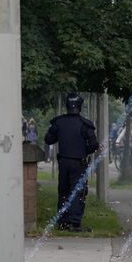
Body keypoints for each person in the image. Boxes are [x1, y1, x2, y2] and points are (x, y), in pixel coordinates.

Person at [44, 93, 99, 232]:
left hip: (63, 162)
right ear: (80, 106)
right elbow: (93, 145)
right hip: (78, 162)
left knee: (63, 191)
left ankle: (63, 222)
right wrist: (83, 150)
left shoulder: (59, 122)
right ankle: (74, 223)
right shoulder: (85, 124)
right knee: (78, 191)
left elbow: (48, 139)